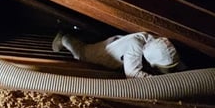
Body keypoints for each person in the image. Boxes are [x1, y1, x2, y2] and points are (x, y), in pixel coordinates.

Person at [52, 30, 181, 78]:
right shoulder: (135, 45)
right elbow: (132, 74)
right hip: (106, 53)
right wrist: (158, 82)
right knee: (81, 54)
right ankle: (64, 37)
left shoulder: (159, 45)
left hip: (120, 47)